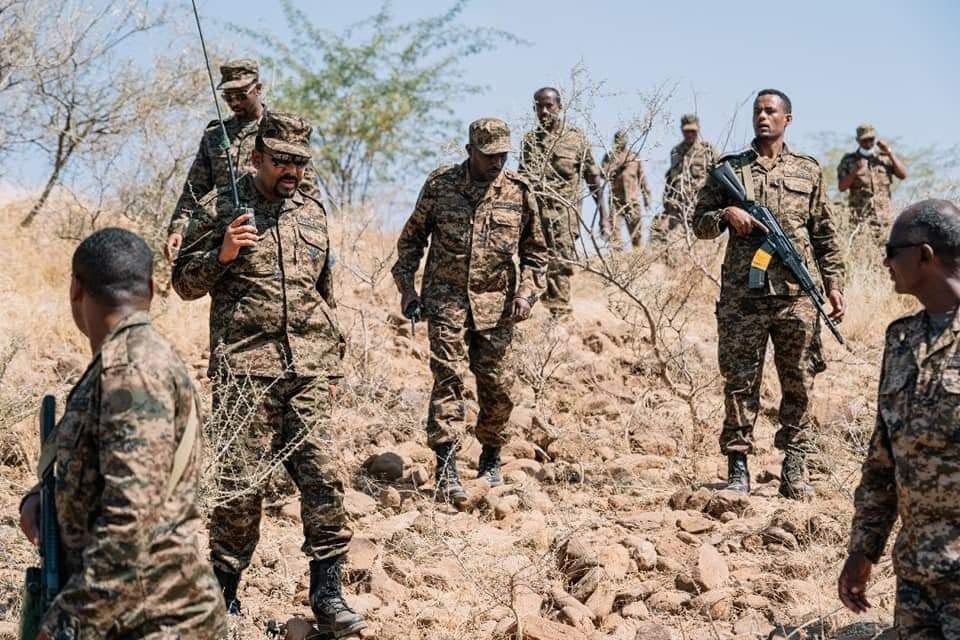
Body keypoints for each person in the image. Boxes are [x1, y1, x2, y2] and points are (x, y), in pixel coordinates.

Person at [172, 112, 364, 637]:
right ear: (256, 157)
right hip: (245, 368)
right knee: (239, 487)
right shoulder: (220, 206)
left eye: (300, 163)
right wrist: (224, 252)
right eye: (281, 161)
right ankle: (224, 594)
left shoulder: (313, 211)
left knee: (323, 478)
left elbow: (323, 289)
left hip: (310, 367)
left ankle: (328, 595)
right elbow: (184, 285)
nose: (291, 172)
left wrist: (332, 347)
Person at [18, 228, 226, 639]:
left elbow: (130, 519)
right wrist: (42, 504)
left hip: (159, 621)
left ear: (75, 288)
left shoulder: (132, 371)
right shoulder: (121, 363)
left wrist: (64, 624)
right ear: (151, 288)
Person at [693, 89, 845, 499]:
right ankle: (738, 466)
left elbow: (825, 235)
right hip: (744, 297)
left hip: (796, 295)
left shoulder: (807, 171)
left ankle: (795, 465)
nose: (763, 117)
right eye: (757, 110)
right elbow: (699, 224)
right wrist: (726, 214)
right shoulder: (730, 169)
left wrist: (834, 287)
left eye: (771, 111)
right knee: (740, 382)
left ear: (787, 119)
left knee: (799, 381)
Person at [391, 118, 548, 503]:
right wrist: (408, 290)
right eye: (489, 155)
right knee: (450, 379)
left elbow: (537, 254)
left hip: (498, 307)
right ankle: (446, 467)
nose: (497, 163)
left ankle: (490, 457)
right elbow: (410, 242)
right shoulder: (440, 185)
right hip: (446, 301)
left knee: (498, 387)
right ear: (470, 152)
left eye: (503, 155)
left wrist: (527, 295)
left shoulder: (519, 192)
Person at [839, 199, 960, 638]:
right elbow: (882, 460)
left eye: (893, 249)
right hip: (916, 579)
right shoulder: (901, 340)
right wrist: (862, 551)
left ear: (924, 255)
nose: (885, 260)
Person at [165, 58, 317, 261]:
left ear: (258, 89)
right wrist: (179, 227)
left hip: (278, 230)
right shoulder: (216, 135)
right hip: (227, 235)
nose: (234, 102)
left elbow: (307, 187)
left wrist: (314, 230)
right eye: (228, 96)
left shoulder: (283, 132)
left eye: (241, 95)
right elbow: (196, 187)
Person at [519, 87, 607, 318]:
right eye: (539, 106)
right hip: (534, 214)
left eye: (549, 105)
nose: (544, 111)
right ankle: (533, 313)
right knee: (532, 262)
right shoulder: (529, 141)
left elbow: (593, 177)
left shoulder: (575, 139)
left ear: (559, 106)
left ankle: (559, 315)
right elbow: (521, 181)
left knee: (559, 262)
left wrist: (604, 216)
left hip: (563, 216)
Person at [837, 124, 908, 242]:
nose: (868, 143)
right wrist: (855, 171)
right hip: (860, 219)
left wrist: (889, 153)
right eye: (865, 140)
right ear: (858, 140)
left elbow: (903, 175)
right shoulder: (849, 160)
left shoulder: (884, 158)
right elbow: (842, 187)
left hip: (884, 218)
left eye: (871, 139)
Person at [659, 114, 717, 240]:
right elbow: (671, 178)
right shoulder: (675, 152)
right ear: (681, 130)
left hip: (700, 204)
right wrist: (667, 202)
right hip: (678, 205)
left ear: (698, 129)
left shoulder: (707, 150)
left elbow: (718, 176)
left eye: (693, 131)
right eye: (686, 131)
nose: (690, 134)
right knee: (672, 240)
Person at [601, 130, 651, 250]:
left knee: (636, 234)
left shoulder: (634, 157)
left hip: (632, 200)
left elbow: (642, 179)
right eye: (618, 139)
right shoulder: (609, 157)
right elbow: (602, 174)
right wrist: (617, 167)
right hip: (616, 201)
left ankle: (637, 258)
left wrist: (646, 197)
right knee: (614, 232)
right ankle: (617, 261)